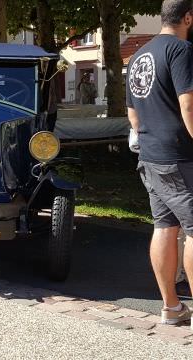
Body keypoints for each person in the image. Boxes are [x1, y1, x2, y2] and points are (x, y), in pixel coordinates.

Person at [126, 0, 193, 326]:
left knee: (165, 225)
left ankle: (171, 308)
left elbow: (132, 114)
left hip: (150, 156)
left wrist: (152, 139)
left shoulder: (140, 55)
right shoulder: (182, 51)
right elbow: (189, 105)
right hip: (180, 156)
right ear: (188, 17)